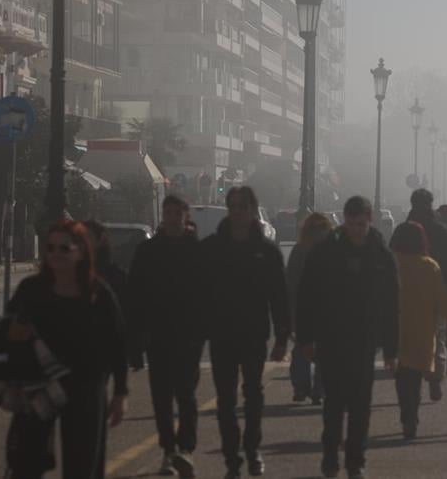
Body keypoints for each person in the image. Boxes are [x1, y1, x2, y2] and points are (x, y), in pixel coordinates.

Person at [4, 220, 128, 478]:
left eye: (64, 248)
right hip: (40, 385)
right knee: (27, 461)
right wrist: (14, 333)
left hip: (84, 386)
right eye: (50, 248)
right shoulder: (32, 290)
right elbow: (8, 331)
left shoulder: (98, 293)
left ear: (81, 251)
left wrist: (120, 393)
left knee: (82, 464)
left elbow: (117, 344)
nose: (56, 254)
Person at [296, 196, 399, 479]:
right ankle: (330, 458)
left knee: (360, 408)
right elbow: (306, 297)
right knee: (333, 406)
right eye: (352, 223)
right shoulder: (325, 253)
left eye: (361, 224)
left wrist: (391, 348)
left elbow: (392, 305)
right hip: (331, 341)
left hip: (364, 343)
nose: (356, 229)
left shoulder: (381, 255)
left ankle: (356, 462)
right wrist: (305, 338)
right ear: (345, 220)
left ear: (370, 221)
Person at [201, 186, 289, 479]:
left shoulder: (267, 252)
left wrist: (282, 337)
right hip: (222, 334)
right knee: (225, 401)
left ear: (253, 210)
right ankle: (231, 460)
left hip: (254, 333)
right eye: (233, 206)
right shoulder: (212, 248)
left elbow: (279, 296)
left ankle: (252, 451)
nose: (238, 211)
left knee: (253, 394)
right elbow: (197, 292)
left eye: (243, 206)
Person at [126, 195, 205, 478]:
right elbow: (134, 296)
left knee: (186, 394)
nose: (172, 218)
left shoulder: (197, 252)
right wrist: (135, 340)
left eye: (177, 213)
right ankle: (168, 450)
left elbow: (208, 295)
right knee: (161, 397)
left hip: (188, 336)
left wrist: (202, 329)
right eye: (167, 212)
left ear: (186, 216)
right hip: (156, 336)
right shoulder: (148, 251)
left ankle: (186, 449)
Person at [390, 221, 447, 440]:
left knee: (403, 377)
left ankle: (407, 417)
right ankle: (420, 402)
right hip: (424, 327)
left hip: (398, 327)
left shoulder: (392, 264)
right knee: (416, 374)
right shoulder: (430, 266)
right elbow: (441, 296)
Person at [404, 188, 447, 401]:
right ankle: (435, 378)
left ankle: (411, 377)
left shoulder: (403, 230)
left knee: (408, 336)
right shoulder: (441, 230)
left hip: (407, 292)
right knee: (438, 336)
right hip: (435, 289)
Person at [285, 212, 334, 404]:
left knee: (300, 350)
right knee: (324, 352)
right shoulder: (332, 249)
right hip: (325, 308)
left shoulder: (300, 249)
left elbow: (291, 281)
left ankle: (301, 387)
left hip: (302, 307)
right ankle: (318, 390)